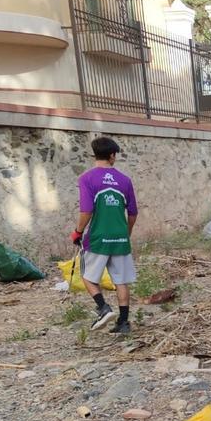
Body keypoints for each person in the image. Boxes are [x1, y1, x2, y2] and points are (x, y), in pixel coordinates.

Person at [71, 136, 138, 334]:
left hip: (98, 237)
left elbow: (86, 211)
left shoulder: (86, 179)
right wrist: (126, 233)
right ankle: (124, 323)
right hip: (120, 237)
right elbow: (133, 213)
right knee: (121, 280)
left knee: (88, 276)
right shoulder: (125, 180)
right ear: (112, 155)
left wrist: (78, 232)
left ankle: (103, 308)